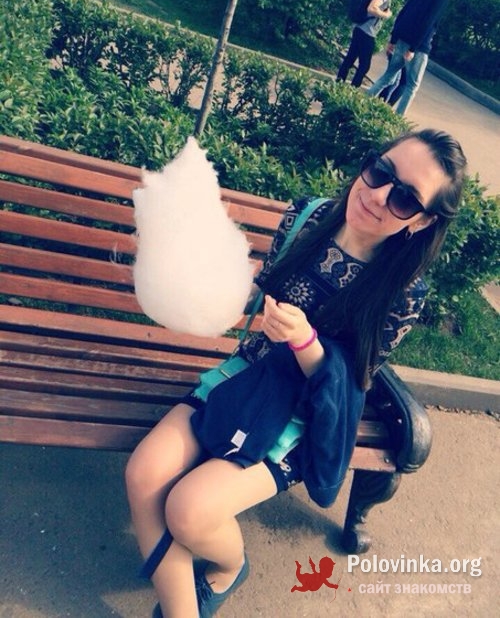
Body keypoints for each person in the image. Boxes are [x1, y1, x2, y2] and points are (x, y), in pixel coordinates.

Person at [126, 129, 467, 618]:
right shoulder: (306, 217)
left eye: (405, 199)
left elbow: (355, 379)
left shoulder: (403, 292)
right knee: (144, 473)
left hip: (298, 416)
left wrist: (305, 341)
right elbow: (259, 290)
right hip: (244, 379)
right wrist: (199, 275)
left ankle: (229, 567)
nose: (377, 195)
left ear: (423, 220)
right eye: (380, 172)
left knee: (189, 511)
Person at [366, 0, 464, 115]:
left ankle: (363, 100)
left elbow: (405, 11)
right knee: (412, 85)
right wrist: (413, 48)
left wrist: (393, 39)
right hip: (419, 46)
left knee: (388, 76)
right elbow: (429, 22)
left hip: (401, 39)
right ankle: (398, 118)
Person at [336, 0, 408, 87]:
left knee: (350, 59)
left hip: (360, 27)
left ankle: (338, 85)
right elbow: (372, 8)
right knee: (364, 66)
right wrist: (386, 15)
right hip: (367, 31)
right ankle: (351, 90)